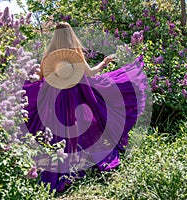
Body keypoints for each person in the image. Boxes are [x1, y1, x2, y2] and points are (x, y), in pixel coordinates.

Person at [22, 22, 148, 192]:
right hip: (77, 97)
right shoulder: (74, 54)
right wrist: (104, 62)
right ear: (70, 34)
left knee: (60, 134)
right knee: (85, 128)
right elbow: (90, 73)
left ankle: (64, 169)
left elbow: (42, 79)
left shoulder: (48, 57)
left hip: (55, 99)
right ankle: (86, 162)